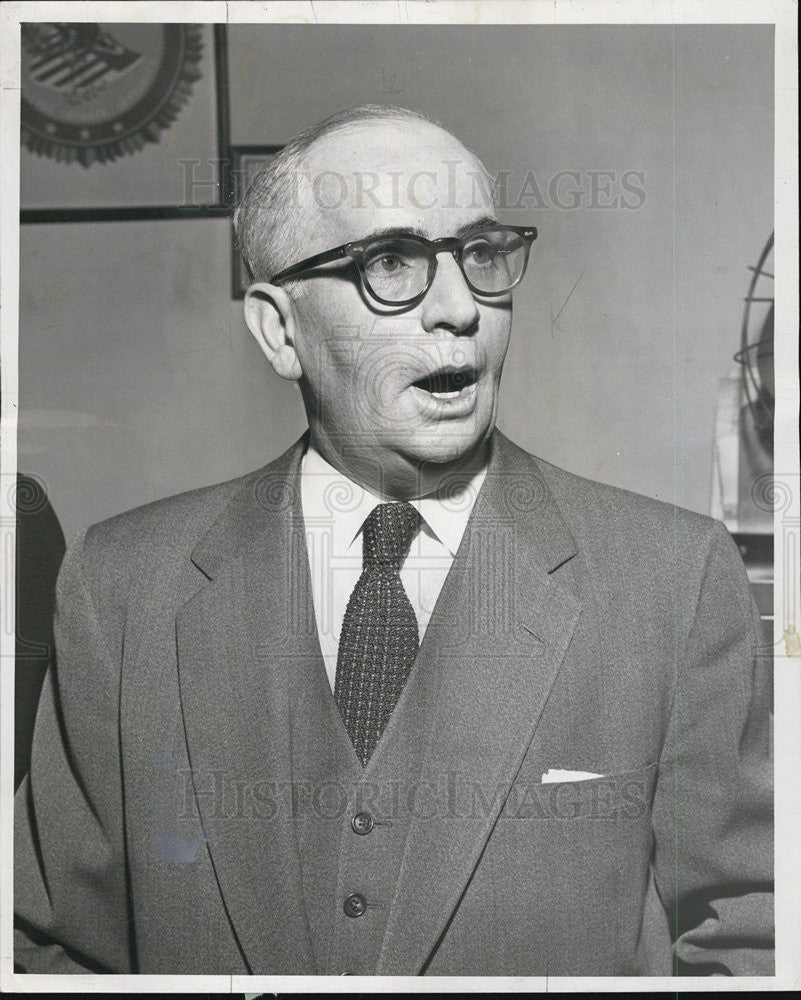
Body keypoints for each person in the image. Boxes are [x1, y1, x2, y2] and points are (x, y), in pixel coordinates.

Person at [14, 105, 773, 977]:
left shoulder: (670, 580)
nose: (460, 309)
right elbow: (45, 949)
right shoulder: (120, 587)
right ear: (278, 329)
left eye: (482, 255)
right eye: (390, 264)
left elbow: (751, 936)